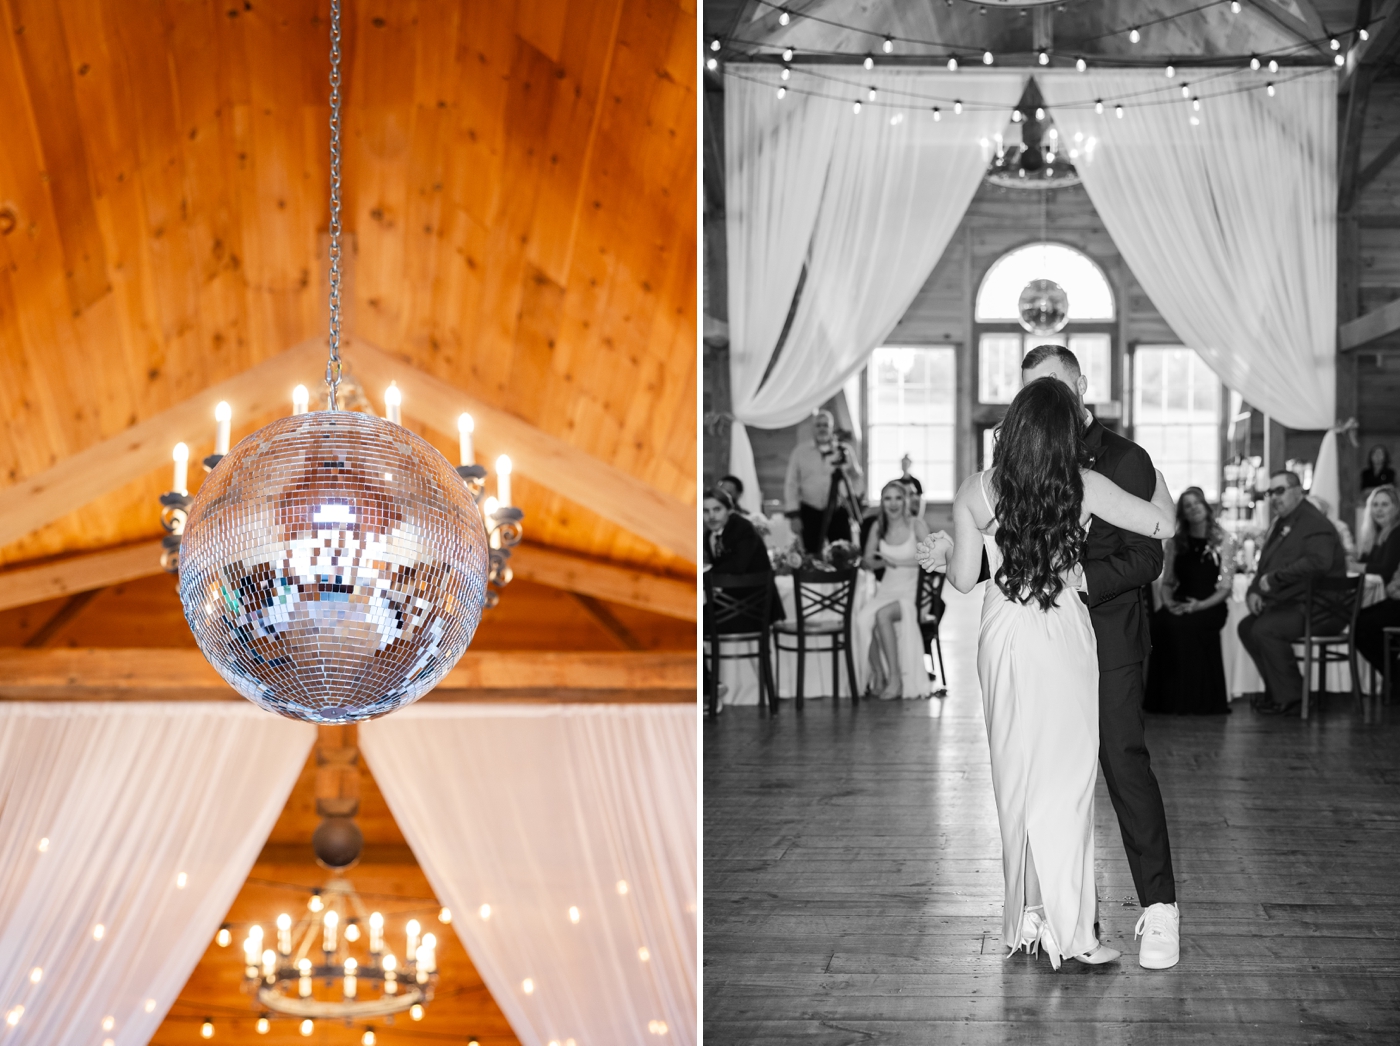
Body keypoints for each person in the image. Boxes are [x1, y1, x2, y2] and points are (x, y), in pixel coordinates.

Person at [917, 377, 1176, 970]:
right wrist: (1158, 484)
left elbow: (961, 578)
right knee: (1067, 782)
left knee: (1015, 775)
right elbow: (1160, 527)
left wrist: (944, 550)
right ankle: (1074, 932)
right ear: (1065, 431)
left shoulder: (978, 490)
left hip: (1002, 633)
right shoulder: (1085, 485)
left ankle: (1027, 920)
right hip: (1060, 631)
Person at [1018, 344, 1182, 969]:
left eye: (1058, 384)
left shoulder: (1126, 459)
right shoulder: (1024, 456)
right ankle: (1061, 911)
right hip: (1044, 642)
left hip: (1109, 635)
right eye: (1037, 388)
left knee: (1122, 762)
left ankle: (1160, 909)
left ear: (1082, 384)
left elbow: (1148, 556)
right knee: (1054, 775)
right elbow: (1010, 544)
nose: (1050, 398)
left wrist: (1082, 581)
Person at [1237, 470, 1348, 716]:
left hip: (1323, 609)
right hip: (1293, 604)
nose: (1274, 497)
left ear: (1298, 491)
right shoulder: (1282, 522)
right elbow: (1264, 564)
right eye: (1270, 492)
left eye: (1280, 490)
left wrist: (1275, 579)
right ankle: (1279, 691)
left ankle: (1294, 697)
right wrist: (1255, 590)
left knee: (1265, 629)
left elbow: (1319, 563)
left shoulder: (1314, 522)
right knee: (1246, 627)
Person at [1145, 488, 1234, 716]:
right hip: (1181, 599)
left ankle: (1195, 702)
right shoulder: (1176, 541)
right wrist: (1168, 604)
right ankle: (1165, 702)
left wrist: (1199, 605)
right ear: (1183, 513)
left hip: (1210, 604)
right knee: (1163, 623)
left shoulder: (1222, 539)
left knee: (1185, 626)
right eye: (1188, 505)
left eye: (1197, 503)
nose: (1193, 508)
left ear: (1205, 506)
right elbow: (1167, 582)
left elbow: (1225, 587)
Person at [852, 481, 931, 701]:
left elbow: (933, 560)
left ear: (906, 500)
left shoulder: (917, 525)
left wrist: (903, 563)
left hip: (912, 590)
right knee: (860, 619)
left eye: (898, 498)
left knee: (882, 615)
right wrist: (880, 562)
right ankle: (879, 673)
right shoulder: (878, 526)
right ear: (882, 502)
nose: (893, 503)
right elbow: (867, 561)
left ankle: (896, 679)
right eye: (888, 498)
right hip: (887, 588)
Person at [703, 488, 782, 634]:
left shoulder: (742, 528)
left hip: (754, 610)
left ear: (730, 509)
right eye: (705, 511)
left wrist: (704, 576)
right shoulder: (709, 535)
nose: (711, 516)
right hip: (729, 603)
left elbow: (737, 566)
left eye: (717, 509)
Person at [784, 410, 864, 556]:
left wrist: (854, 499)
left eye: (826, 425)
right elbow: (791, 484)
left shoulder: (844, 450)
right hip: (810, 510)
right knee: (811, 554)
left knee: (842, 553)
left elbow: (857, 476)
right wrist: (794, 514)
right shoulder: (800, 452)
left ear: (831, 427)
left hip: (838, 510)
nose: (822, 428)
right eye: (818, 425)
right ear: (813, 428)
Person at [1354, 485, 1400, 682]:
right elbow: (1365, 562)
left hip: (1396, 599)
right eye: (1375, 505)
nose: (1378, 510)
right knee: (1359, 622)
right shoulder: (1375, 535)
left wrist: (1353, 566)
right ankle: (1393, 677)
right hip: (1387, 598)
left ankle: (1394, 677)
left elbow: (1385, 570)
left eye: (1384, 505)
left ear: (1396, 508)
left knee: (1360, 624)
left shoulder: (1397, 533)